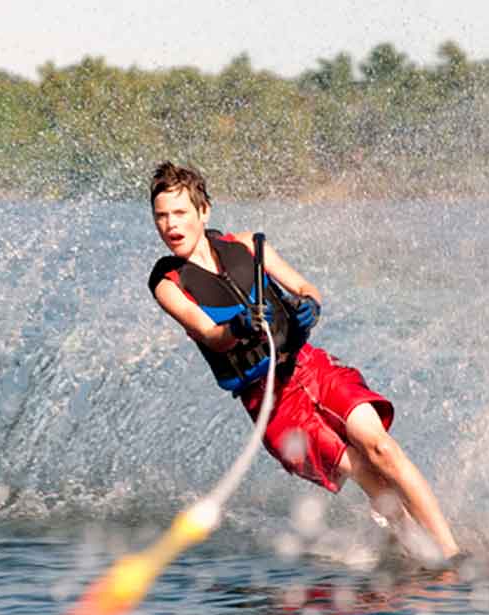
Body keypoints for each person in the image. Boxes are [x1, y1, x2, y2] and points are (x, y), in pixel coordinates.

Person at [147, 161, 461, 563]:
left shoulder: (248, 245)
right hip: (273, 403)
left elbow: (304, 286)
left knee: (381, 448)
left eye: (179, 213)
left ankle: (453, 554)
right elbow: (209, 333)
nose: (170, 225)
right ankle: (417, 552)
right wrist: (237, 328)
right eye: (161, 216)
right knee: (364, 470)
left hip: (310, 367)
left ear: (203, 211)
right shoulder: (167, 284)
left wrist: (309, 305)